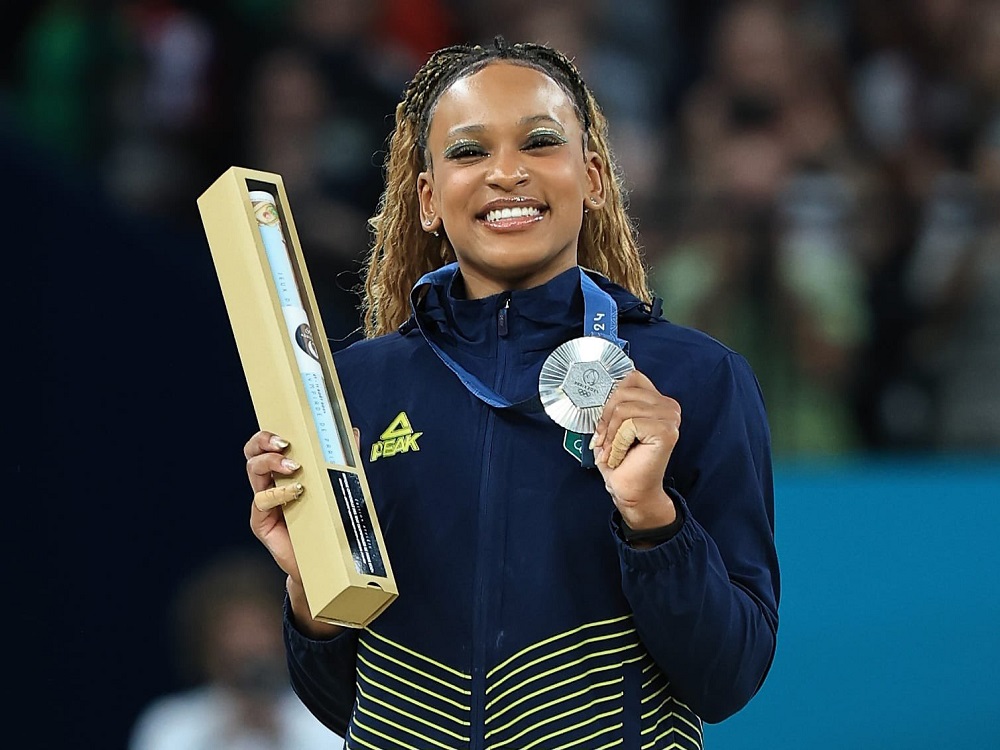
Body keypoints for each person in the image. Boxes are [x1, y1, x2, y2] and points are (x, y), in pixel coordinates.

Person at [245, 37, 779, 749]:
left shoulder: (692, 380)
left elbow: (729, 676)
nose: (505, 173)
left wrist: (653, 518)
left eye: (539, 142)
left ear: (592, 177)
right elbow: (343, 705)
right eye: (468, 152)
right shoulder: (356, 389)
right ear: (429, 199)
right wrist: (310, 588)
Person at [128, 551, 344, 750]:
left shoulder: (329, 722)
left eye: (259, 628)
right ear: (205, 645)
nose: (249, 645)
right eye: (234, 630)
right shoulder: (170, 726)